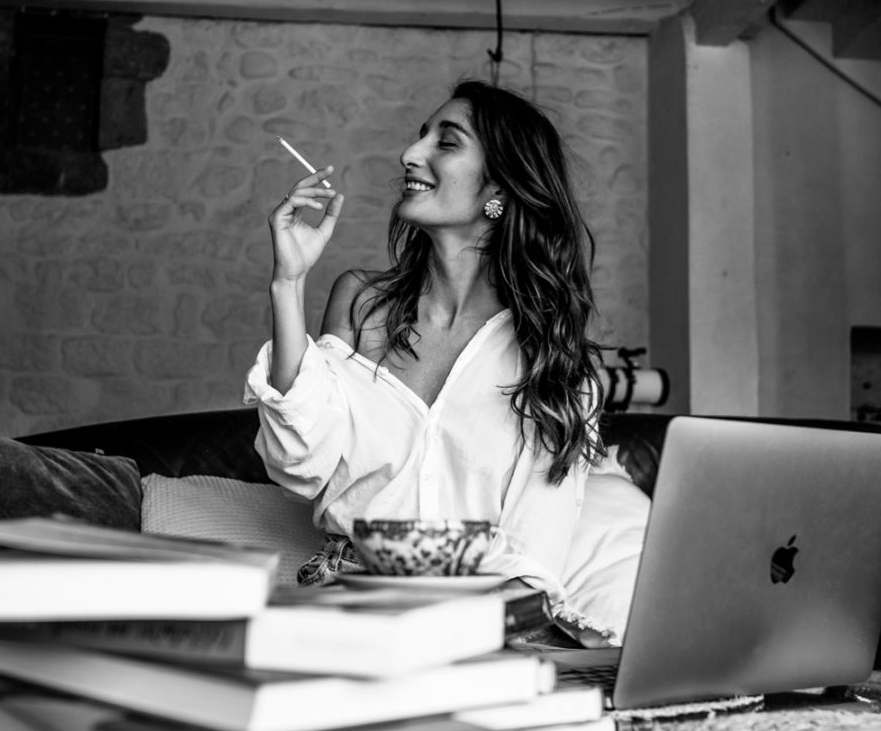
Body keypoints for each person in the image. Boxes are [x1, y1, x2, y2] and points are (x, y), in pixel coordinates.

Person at [242, 80, 635, 642]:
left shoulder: (554, 363)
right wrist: (288, 282)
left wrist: (458, 634)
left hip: (482, 623)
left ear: (499, 186)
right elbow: (299, 461)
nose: (410, 153)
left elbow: (531, 557)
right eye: (420, 136)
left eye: (445, 143)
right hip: (349, 607)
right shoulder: (362, 302)